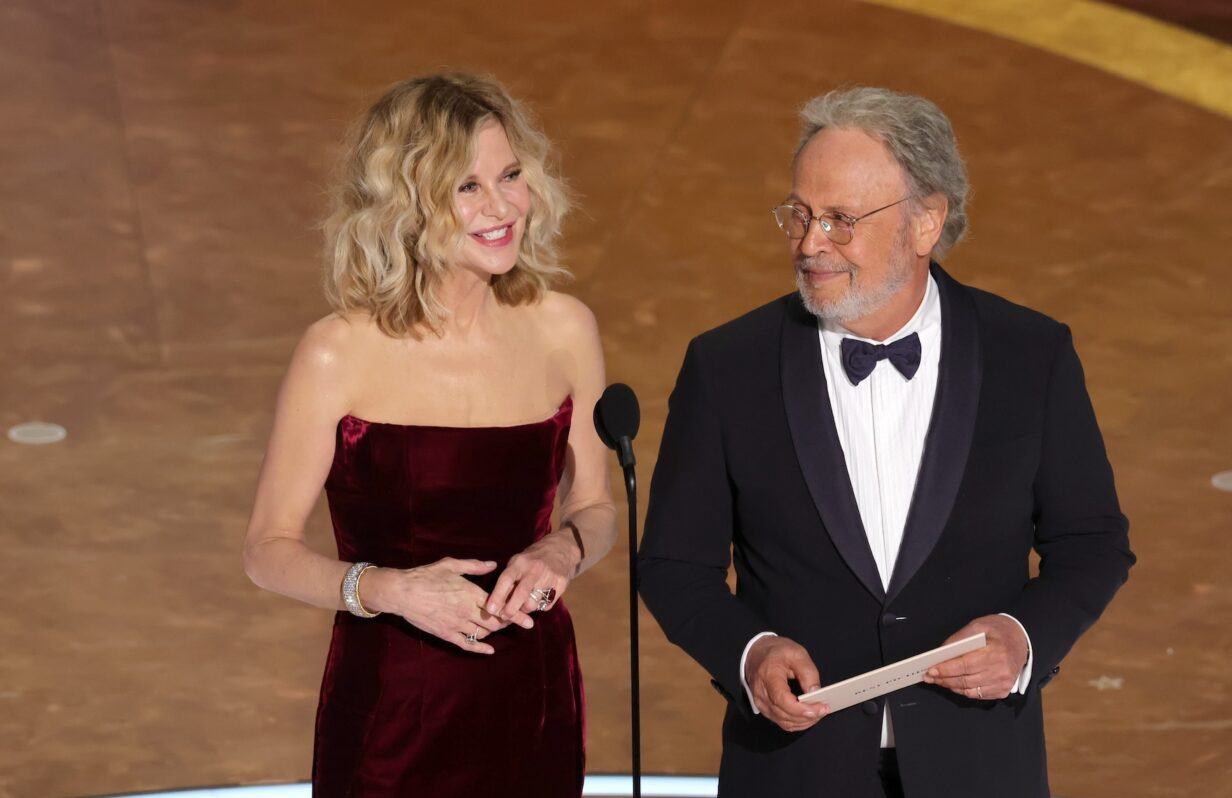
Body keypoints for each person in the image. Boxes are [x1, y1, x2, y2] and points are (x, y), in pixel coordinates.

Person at [638, 87, 1135, 797]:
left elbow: (1091, 541)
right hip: (794, 771)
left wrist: (1022, 639)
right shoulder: (727, 366)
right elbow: (673, 566)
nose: (811, 243)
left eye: (841, 221)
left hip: (978, 767)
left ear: (926, 223)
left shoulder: (1032, 355)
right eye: (801, 215)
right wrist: (750, 654)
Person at [241, 73, 615, 797]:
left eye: (509, 176)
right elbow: (266, 551)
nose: (502, 206)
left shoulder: (566, 328)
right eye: (466, 188)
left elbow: (595, 509)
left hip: (533, 698)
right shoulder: (338, 350)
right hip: (391, 710)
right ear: (406, 206)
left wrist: (560, 551)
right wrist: (388, 590)